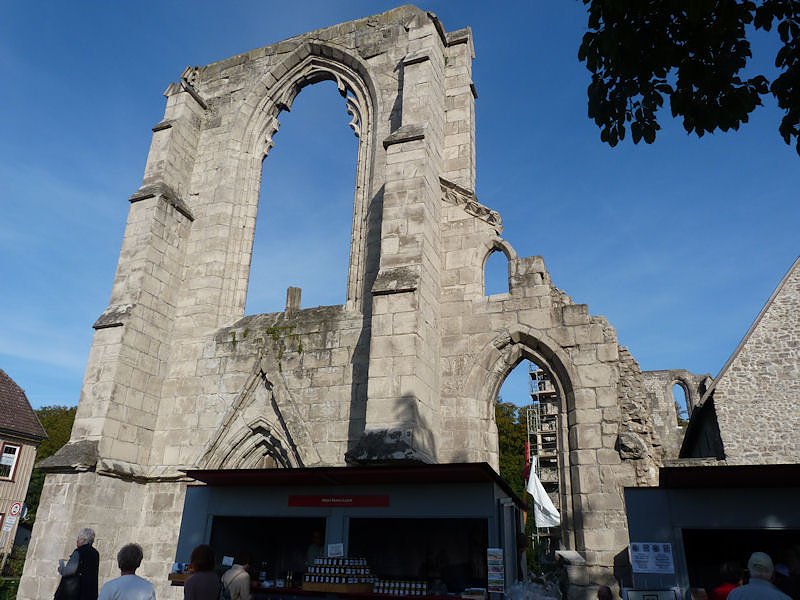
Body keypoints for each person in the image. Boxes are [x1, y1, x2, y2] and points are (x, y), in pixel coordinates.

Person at [55, 527, 100, 600]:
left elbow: (69, 571)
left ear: (83, 540)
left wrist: (61, 568)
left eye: (78, 538)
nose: (77, 540)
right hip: (89, 594)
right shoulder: (95, 553)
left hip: (74, 594)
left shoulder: (79, 552)